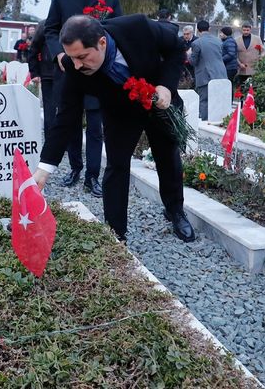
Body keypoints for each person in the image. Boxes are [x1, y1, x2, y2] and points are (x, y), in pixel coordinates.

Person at [33, 15, 195, 243]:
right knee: (117, 165)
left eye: (82, 57)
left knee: (167, 156)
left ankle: (175, 210)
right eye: (72, 58)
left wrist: (166, 86)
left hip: (160, 101)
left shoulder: (138, 28)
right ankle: (115, 232)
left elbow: (177, 48)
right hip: (121, 112)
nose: (77, 65)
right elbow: (66, 118)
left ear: (101, 43)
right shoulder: (73, 67)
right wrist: (44, 167)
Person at [44, 0, 122, 197]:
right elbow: (51, 29)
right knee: (70, 123)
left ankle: (92, 176)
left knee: (96, 126)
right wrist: (58, 53)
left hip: (99, 73)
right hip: (69, 70)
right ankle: (75, 168)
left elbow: (118, 31)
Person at [189, 20, 227, 120]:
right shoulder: (218, 41)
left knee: (204, 100)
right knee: (218, 100)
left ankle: (205, 123)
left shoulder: (196, 43)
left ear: (197, 30)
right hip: (220, 74)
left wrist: (188, 54)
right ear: (209, 29)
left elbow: (193, 61)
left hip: (205, 75)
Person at [28, 20, 57, 138]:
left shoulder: (69, 20)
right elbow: (34, 49)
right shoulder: (45, 24)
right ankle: (51, 140)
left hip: (67, 74)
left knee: (65, 109)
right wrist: (34, 72)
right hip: (48, 74)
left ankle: (64, 141)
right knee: (49, 109)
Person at [236, 23, 263, 87]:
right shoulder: (236, 40)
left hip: (254, 69)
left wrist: (261, 58)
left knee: (253, 88)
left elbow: (263, 51)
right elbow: (234, 54)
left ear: (250, 30)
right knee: (241, 89)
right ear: (241, 30)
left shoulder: (257, 39)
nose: (246, 32)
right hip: (241, 69)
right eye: (244, 30)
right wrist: (239, 64)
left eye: (247, 30)